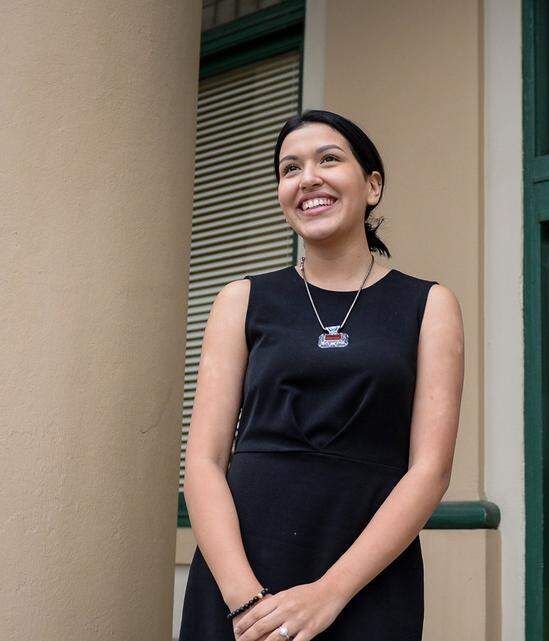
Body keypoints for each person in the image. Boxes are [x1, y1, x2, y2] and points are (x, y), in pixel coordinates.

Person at [179, 110, 464, 641]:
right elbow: (203, 461)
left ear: (372, 185)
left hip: (366, 574)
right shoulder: (240, 300)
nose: (307, 178)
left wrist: (330, 593)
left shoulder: (430, 305)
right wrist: (247, 601)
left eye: (328, 160)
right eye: (290, 168)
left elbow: (430, 471)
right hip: (242, 570)